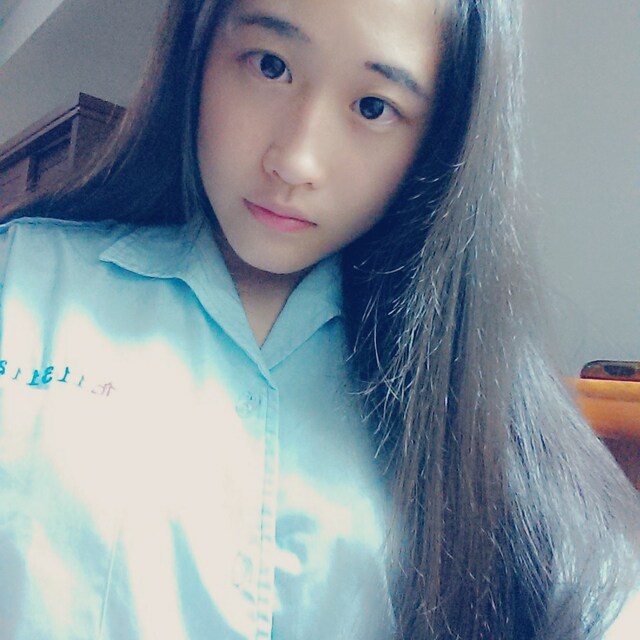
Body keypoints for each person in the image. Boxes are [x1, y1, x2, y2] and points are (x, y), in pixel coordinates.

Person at [0, 0, 638, 638]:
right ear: (198, 51)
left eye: (374, 107)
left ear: (439, 138)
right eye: (270, 66)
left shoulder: (482, 401)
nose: (296, 161)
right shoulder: (21, 278)